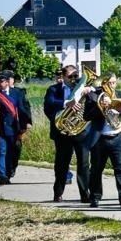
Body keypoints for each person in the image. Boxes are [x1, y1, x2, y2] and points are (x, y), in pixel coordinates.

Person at [87, 73, 121, 211]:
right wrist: (100, 108)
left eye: (114, 82)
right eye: (109, 83)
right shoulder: (94, 96)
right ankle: (95, 197)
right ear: (103, 84)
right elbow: (86, 115)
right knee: (96, 170)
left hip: (118, 137)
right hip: (100, 139)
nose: (111, 85)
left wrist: (120, 108)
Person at [44, 65, 92, 202]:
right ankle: (58, 193)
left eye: (76, 76)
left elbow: (97, 94)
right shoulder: (54, 89)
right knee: (61, 164)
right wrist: (67, 103)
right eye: (70, 77)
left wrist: (91, 90)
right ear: (63, 77)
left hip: (81, 132)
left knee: (83, 164)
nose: (73, 79)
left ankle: (85, 194)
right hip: (62, 132)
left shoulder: (83, 89)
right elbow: (49, 103)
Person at [0, 69, 32, 184]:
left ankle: (9, 171)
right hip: (1, 128)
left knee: (13, 151)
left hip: (15, 128)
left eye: (1, 80)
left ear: (7, 82)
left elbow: (24, 108)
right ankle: (1, 175)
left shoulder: (17, 92)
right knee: (2, 150)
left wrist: (27, 122)